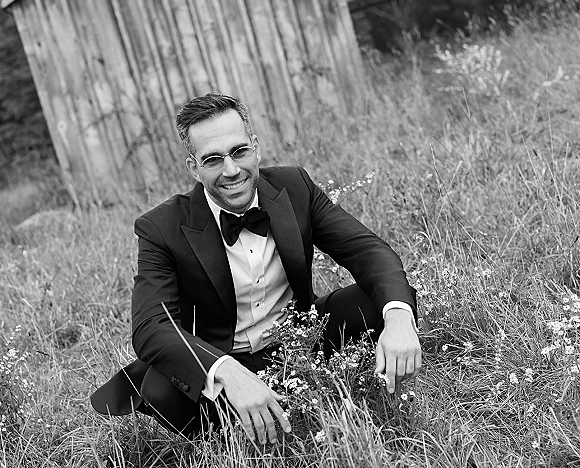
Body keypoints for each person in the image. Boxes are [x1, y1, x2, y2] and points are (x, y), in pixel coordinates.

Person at [91, 92, 421, 444]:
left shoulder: (294, 187)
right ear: (194, 168)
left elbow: (368, 251)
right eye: (213, 159)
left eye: (239, 151)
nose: (231, 170)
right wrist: (226, 371)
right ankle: (226, 439)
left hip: (300, 340)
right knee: (160, 388)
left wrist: (399, 318)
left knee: (386, 303)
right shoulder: (161, 228)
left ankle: (355, 392)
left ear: (256, 148)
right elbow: (151, 327)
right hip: (223, 356)